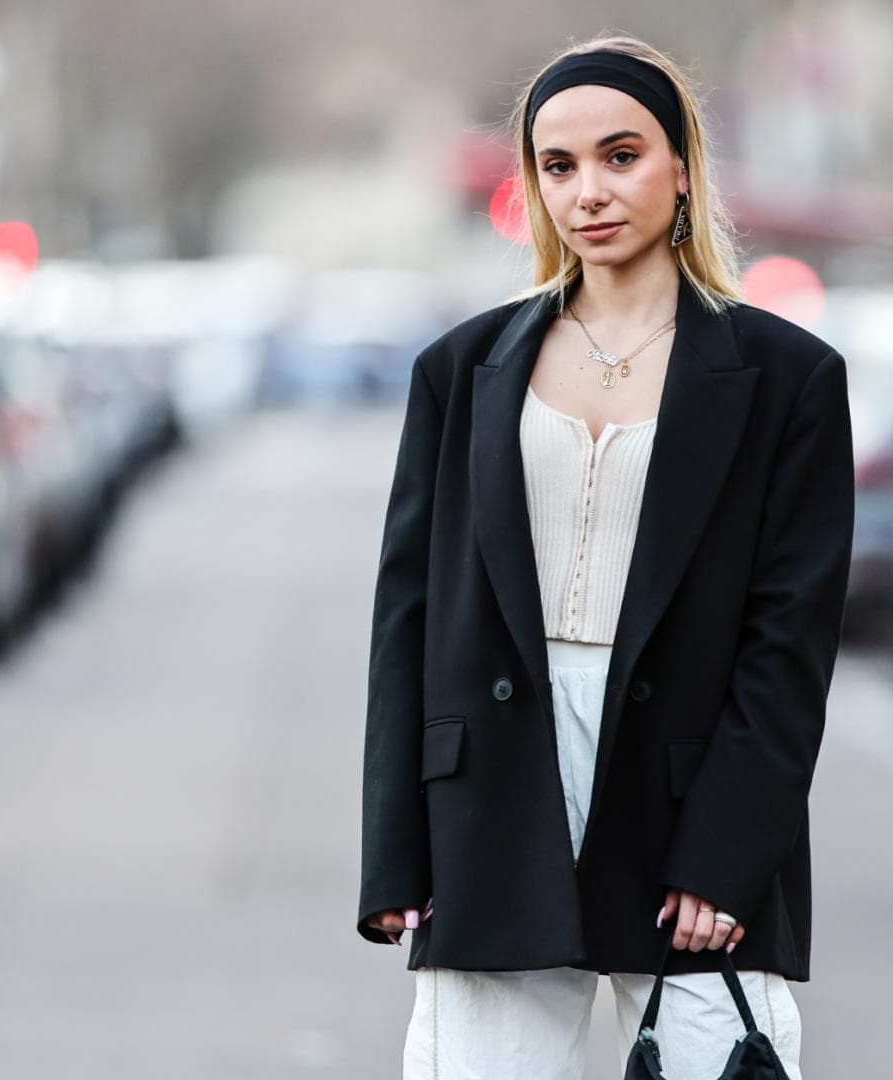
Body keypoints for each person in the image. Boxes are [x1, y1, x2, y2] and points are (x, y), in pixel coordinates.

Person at [357, 34, 853, 1080]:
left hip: (690, 796)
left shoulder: (786, 378)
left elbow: (790, 640)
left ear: (682, 169)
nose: (589, 190)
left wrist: (731, 852)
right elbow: (410, 615)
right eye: (559, 165)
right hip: (492, 794)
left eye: (621, 156)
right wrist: (396, 851)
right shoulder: (463, 371)